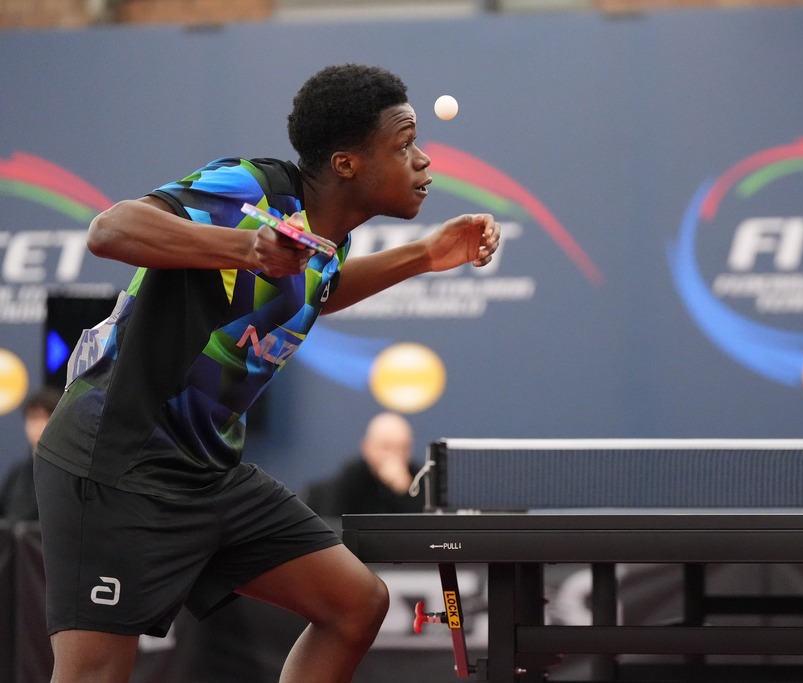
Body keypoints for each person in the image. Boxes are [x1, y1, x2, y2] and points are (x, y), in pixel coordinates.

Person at [33, 63, 500, 683]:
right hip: (115, 461)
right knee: (94, 674)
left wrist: (425, 255)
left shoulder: (331, 237)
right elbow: (109, 229)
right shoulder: (253, 189)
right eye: (404, 145)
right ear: (346, 164)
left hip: (208, 471)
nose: (423, 160)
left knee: (355, 605)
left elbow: (316, 289)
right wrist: (244, 247)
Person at [304, 412, 424, 516]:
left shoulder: (418, 478)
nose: (394, 455)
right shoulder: (352, 476)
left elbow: (423, 526)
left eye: (403, 448)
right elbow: (334, 520)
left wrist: (403, 491)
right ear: (367, 447)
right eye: (386, 447)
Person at [0, 386, 62, 521]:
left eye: (44, 418)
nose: (38, 426)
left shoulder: (68, 475)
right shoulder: (17, 474)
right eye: (33, 419)